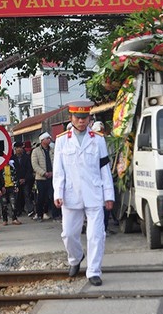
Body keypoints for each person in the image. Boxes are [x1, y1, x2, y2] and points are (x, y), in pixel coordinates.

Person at [53, 101, 115, 286]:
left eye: (84, 118)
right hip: (71, 194)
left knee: (96, 234)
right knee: (69, 234)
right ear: (71, 119)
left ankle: (94, 271)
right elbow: (58, 170)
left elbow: (105, 169)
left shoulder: (98, 139)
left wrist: (109, 195)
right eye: (77, 118)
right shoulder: (62, 140)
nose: (81, 121)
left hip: (94, 193)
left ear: (89, 119)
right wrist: (58, 192)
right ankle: (76, 258)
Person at [31, 132, 57, 221]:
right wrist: (44, 173)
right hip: (41, 178)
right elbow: (35, 165)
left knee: (53, 196)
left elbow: (56, 162)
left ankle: (55, 215)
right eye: (47, 138)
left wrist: (53, 172)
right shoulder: (36, 151)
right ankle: (39, 214)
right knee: (41, 197)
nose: (49, 140)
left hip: (52, 177)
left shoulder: (53, 150)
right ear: (42, 140)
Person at [11, 141, 34, 218]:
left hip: (26, 179)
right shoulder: (12, 159)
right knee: (17, 196)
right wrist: (17, 179)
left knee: (27, 194)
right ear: (15, 149)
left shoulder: (26, 158)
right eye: (18, 148)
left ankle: (30, 210)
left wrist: (25, 179)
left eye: (21, 148)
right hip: (16, 180)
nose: (19, 150)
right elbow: (12, 170)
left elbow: (29, 169)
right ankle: (17, 211)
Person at [0, 160, 20, 225]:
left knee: (14, 204)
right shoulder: (0, 168)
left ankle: (14, 218)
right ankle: (5, 220)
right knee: (3, 205)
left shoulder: (12, 167)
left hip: (11, 187)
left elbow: (16, 177)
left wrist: (16, 186)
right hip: (3, 188)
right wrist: (0, 188)